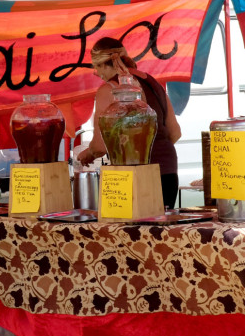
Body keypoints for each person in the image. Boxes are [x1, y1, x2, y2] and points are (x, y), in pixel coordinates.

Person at [76, 37, 182, 208]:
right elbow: (174, 133)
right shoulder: (153, 83)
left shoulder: (108, 89)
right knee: (160, 231)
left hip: (132, 174)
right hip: (168, 170)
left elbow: (100, 147)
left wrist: (88, 154)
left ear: (103, 64)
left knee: (130, 231)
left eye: (97, 67)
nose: (97, 73)